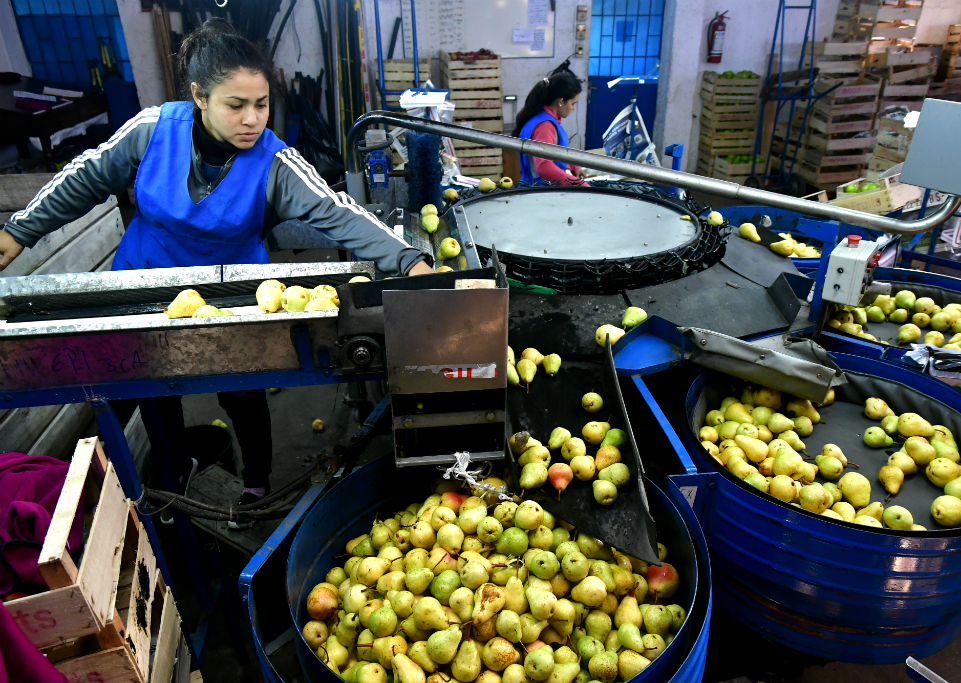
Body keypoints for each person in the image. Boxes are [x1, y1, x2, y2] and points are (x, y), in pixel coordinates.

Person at [0, 19, 433, 523]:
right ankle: (172, 469)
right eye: (236, 105)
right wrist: (17, 233)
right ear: (199, 97)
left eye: (262, 104)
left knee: (244, 390)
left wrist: (410, 260)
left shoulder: (276, 163)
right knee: (147, 385)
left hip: (233, 291)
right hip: (144, 281)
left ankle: (255, 484)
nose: (252, 119)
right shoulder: (152, 132)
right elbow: (86, 177)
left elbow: (337, 213)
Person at [513, 73, 588, 186]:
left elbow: (554, 153)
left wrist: (573, 166)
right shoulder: (545, 126)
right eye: (573, 103)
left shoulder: (538, 118)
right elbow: (544, 166)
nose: (573, 108)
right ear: (561, 102)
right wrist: (578, 184)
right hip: (540, 192)